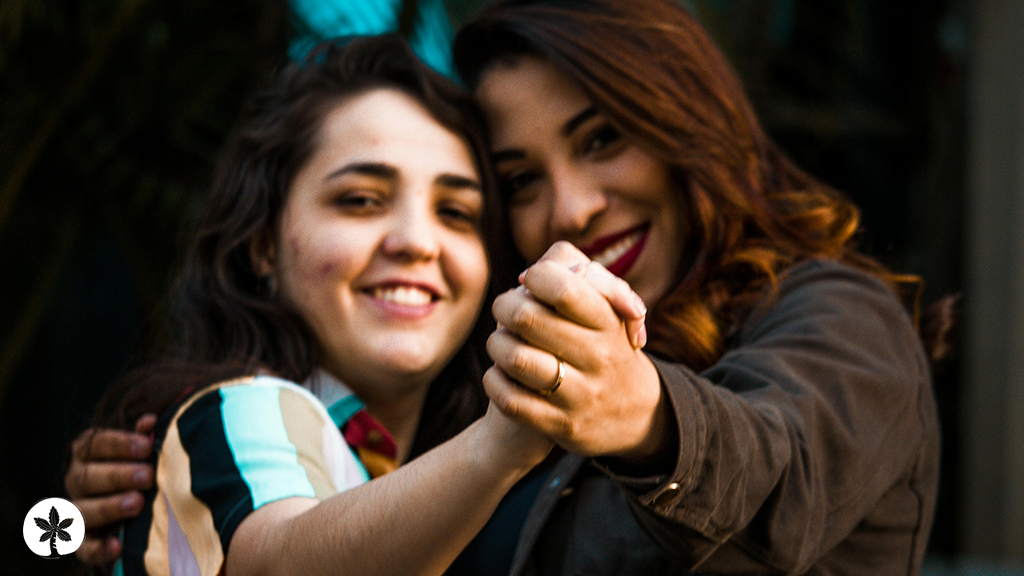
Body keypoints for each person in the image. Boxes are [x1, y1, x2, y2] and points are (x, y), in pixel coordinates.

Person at [70, 1, 946, 574]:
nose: (573, 206)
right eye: (520, 179)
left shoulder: (832, 314)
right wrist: (81, 530)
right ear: (262, 242)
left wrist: (645, 421)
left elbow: (780, 462)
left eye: (602, 139)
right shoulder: (472, 426)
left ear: (685, 126)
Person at [79, 33, 580, 576]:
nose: (416, 241)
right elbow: (282, 560)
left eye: (457, 212)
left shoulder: (418, 475)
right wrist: (501, 442)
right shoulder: (244, 408)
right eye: (361, 200)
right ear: (263, 243)